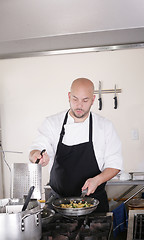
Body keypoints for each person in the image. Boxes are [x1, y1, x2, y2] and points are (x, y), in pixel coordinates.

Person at [29, 78, 123, 212]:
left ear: (93, 99)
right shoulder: (52, 123)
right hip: (58, 205)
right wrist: (37, 156)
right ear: (68, 96)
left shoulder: (105, 126)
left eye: (85, 100)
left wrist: (97, 180)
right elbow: (37, 148)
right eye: (75, 99)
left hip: (94, 204)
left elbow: (115, 164)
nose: (79, 105)